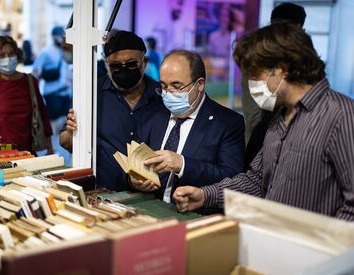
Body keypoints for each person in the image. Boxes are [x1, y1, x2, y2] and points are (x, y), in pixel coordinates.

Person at [173, 24, 354, 222]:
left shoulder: (341, 115)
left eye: (254, 76)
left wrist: (326, 247)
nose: (250, 84)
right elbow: (257, 180)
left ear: (281, 70)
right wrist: (206, 195)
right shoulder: (279, 116)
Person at [129, 50, 245, 207]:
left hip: (194, 214)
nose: (169, 94)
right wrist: (134, 179)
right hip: (148, 207)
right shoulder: (151, 114)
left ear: (200, 84)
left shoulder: (227, 123)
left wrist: (182, 164)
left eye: (177, 86)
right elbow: (134, 161)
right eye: (163, 86)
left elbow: (231, 178)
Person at [60, 31, 164, 191]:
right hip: (105, 193)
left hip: (156, 194)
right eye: (116, 66)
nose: (124, 70)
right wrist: (72, 132)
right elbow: (66, 141)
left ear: (145, 62)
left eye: (131, 64)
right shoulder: (91, 94)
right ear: (106, 65)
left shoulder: (162, 95)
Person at [242, 2, 306, 161]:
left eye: (287, 31)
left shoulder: (306, 64)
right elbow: (253, 113)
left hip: (297, 145)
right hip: (261, 139)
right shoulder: (257, 60)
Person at [33, 26, 71, 121]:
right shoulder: (46, 52)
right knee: (53, 124)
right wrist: (35, 95)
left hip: (66, 94)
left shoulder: (65, 50)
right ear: (53, 37)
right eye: (59, 36)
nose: (61, 38)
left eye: (63, 36)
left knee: (65, 124)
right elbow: (36, 72)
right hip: (53, 94)